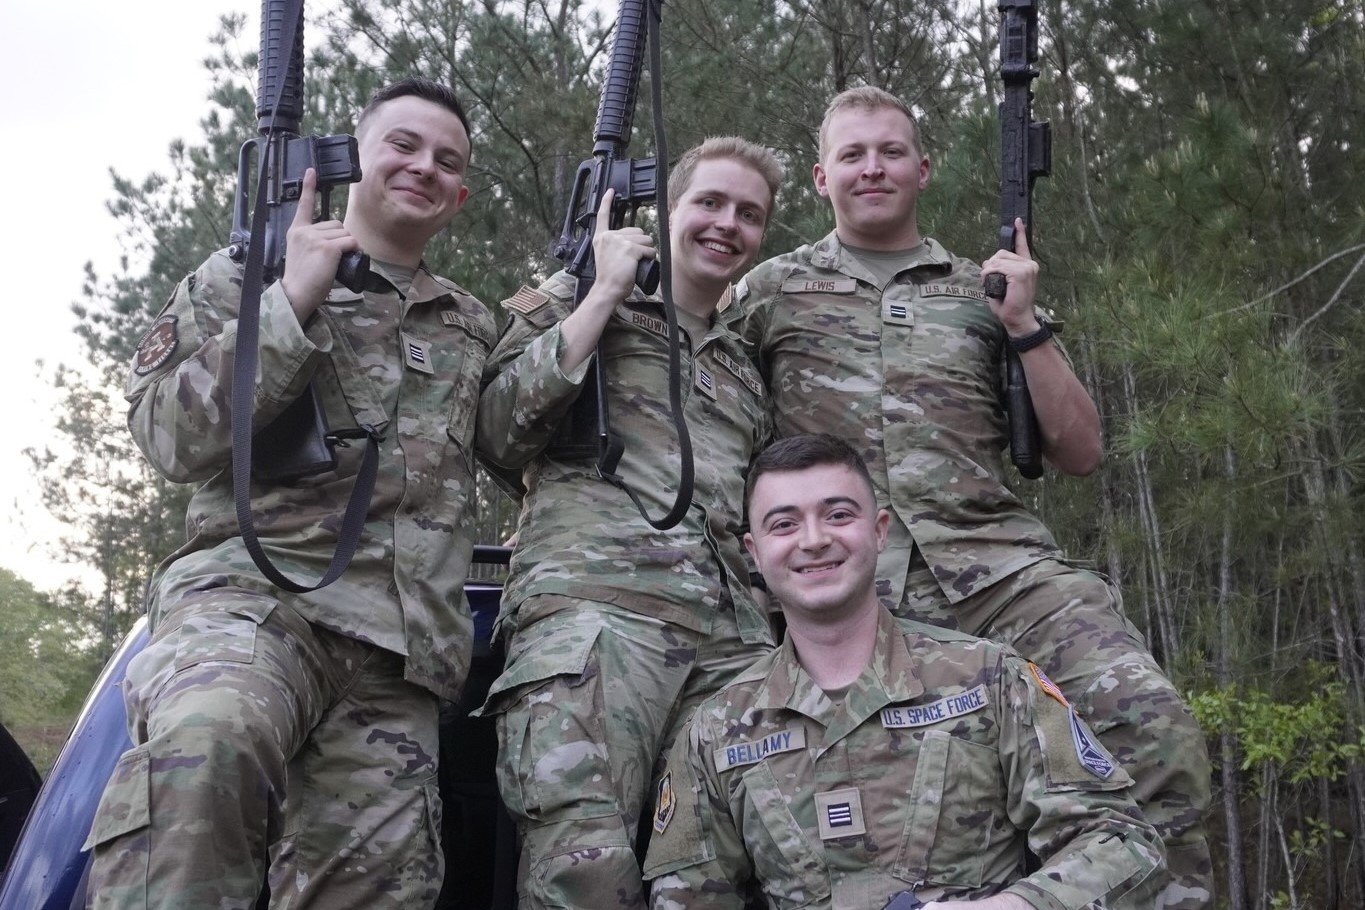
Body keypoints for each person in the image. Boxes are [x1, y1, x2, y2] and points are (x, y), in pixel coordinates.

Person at [736, 86, 1212, 908]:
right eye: (851, 155)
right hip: (850, 593)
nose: (872, 168)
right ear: (821, 177)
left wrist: (1024, 326)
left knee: (1152, 724)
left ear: (924, 167)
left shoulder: (982, 290)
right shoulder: (769, 292)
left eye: (889, 151)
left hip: (1001, 574)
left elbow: (1081, 450)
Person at [84, 78, 496, 909]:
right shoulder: (243, 274)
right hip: (253, 603)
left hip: (395, 657)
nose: (423, 167)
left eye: (446, 161)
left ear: (457, 196)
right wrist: (291, 301)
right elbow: (167, 433)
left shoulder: (471, 324)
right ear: (352, 157)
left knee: (378, 888)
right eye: (403, 146)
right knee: (208, 739)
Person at [644, 433, 1167, 909]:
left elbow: (1122, 842)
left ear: (879, 532)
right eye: (784, 524)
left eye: (838, 515)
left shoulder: (990, 680)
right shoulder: (715, 732)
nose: (813, 539)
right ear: (754, 554)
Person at [474, 137, 782, 910]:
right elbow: (496, 432)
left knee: (717, 875)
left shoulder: (743, 367)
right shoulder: (576, 296)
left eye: (747, 214)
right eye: (708, 203)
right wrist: (603, 295)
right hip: (596, 620)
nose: (726, 225)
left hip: (727, 644)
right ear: (668, 210)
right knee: (586, 868)